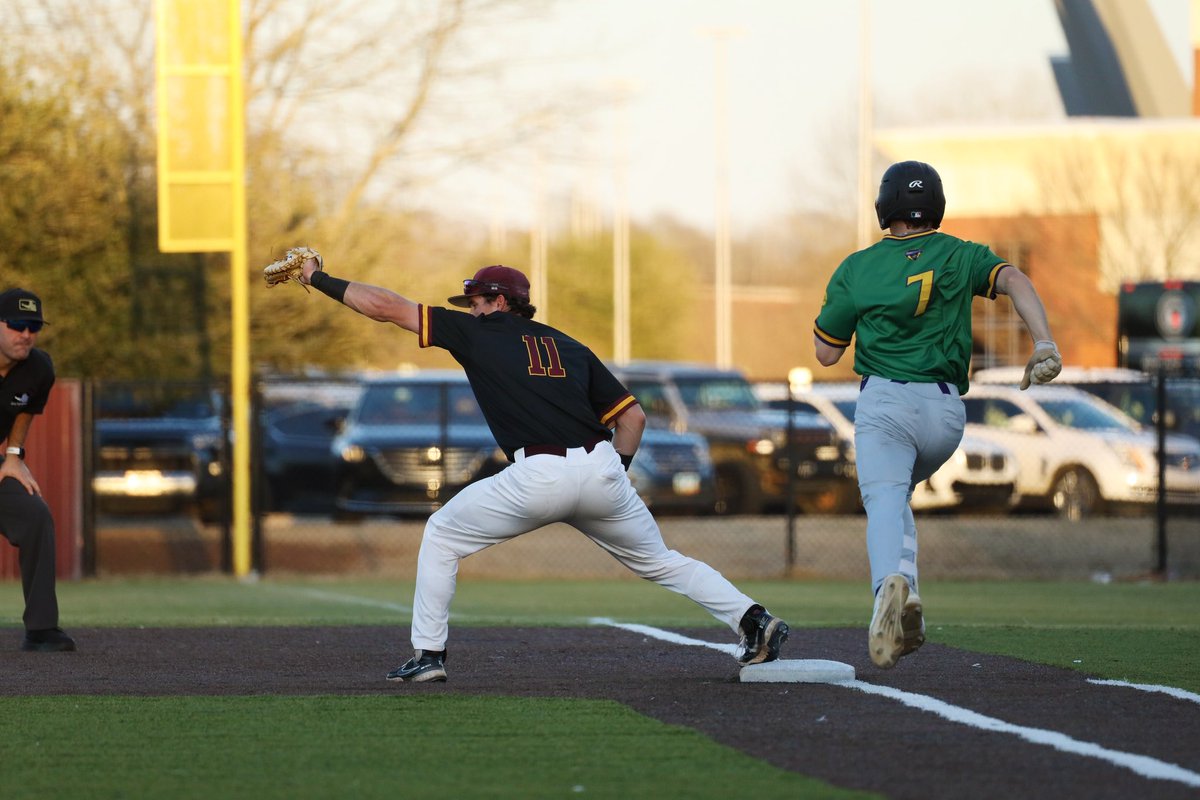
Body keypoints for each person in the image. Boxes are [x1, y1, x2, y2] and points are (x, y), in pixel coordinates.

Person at [292, 259, 789, 682]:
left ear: (501, 302)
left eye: (479, 301)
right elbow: (633, 419)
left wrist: (319, 278)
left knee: (442, 534)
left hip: (538, 472)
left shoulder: (477, 333)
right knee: (661, 561)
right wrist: (611, 474)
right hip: (602, 469)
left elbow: (385, 307)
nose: (472, 310)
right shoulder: (570, 346)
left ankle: (428, 657)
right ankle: (754, 619)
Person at [812, 161, 1060, 669]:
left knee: (883, 497)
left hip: (885, 402)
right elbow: (1013, 279)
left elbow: (825, 353)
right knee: (898, 491)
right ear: (936, 205)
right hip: (945, 415)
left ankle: (888, 588)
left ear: (886, 207)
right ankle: (911, 591)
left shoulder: (857, 268)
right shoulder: (960, 254)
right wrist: (1044, 341)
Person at [0, 288, 76, 652]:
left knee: (34, 514)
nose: (25, 334)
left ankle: (42, 628)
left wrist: (14, 455)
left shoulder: (38, 368)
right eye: (16, 324)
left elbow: (26, 408)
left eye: (33, 326)